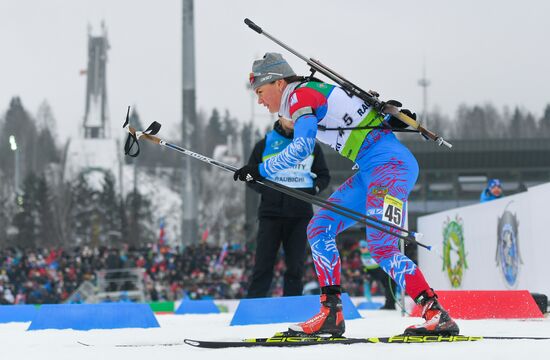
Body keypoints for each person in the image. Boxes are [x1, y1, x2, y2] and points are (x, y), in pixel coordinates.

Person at [234, 52, 459, 337]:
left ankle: (436, 313)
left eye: (260, 92)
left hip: (390, 168)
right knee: (318, 228)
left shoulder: (298, 97)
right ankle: (331, 314)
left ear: (278, 83)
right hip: (371, 170)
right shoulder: (309, 93)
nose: (260, 100)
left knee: (382, 246)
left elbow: (302, 147)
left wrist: (262, 169)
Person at [246, 118, 330, 298]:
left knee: (295, 265)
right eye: (288, 115)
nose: (292, 120)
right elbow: (250, 175)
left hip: (300, 214)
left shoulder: (311, 146)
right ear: (280, 116)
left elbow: (324, 176)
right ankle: (255, 303)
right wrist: (266, 190)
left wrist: (314, 188)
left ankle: (292, 303)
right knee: (263, 262)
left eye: (296, 116)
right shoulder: (264, 145)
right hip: (271, 213)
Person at [358, 240, 397, 310]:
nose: (361, 249)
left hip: (383, 272)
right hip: (375, 273)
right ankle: (387, 304)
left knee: (389, 287)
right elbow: (366, 267)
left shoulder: (373, 253)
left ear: (368, 247)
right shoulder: (362, 256)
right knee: (386, 288)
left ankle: (391, 304)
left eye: (363, 247)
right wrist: (365, 273)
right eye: (360, 247)